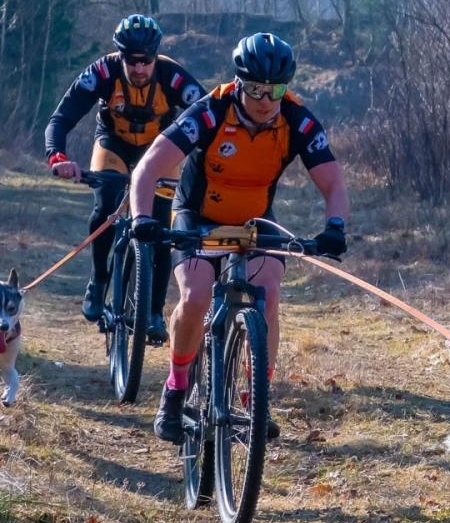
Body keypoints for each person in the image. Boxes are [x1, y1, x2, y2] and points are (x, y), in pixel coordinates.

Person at [129, 32, 350, 444]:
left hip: (254, 221)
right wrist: (142, 218)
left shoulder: (297, 119)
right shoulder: (209, 112)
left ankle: (256, 400)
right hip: (196, 217)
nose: (266, 100)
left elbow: (333, 182)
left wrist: (335, 226)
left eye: (276, 90)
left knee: (268, 293)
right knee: (195, 297)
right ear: (239, 83)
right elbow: (148, 167)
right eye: (255, 89)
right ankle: (176, 389)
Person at [43, 13, 205, 337]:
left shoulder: (173, 77)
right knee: (104, 209)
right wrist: (58, 157)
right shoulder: (102, 72)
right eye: (131, 61)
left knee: (159, 224)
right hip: (113, 143)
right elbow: (61, 118)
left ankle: (154, 311)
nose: (139, 68)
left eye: (146, 61)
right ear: (120, 56)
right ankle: (98, 279)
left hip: (159, 149)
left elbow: (207, 119)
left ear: (155, 56)